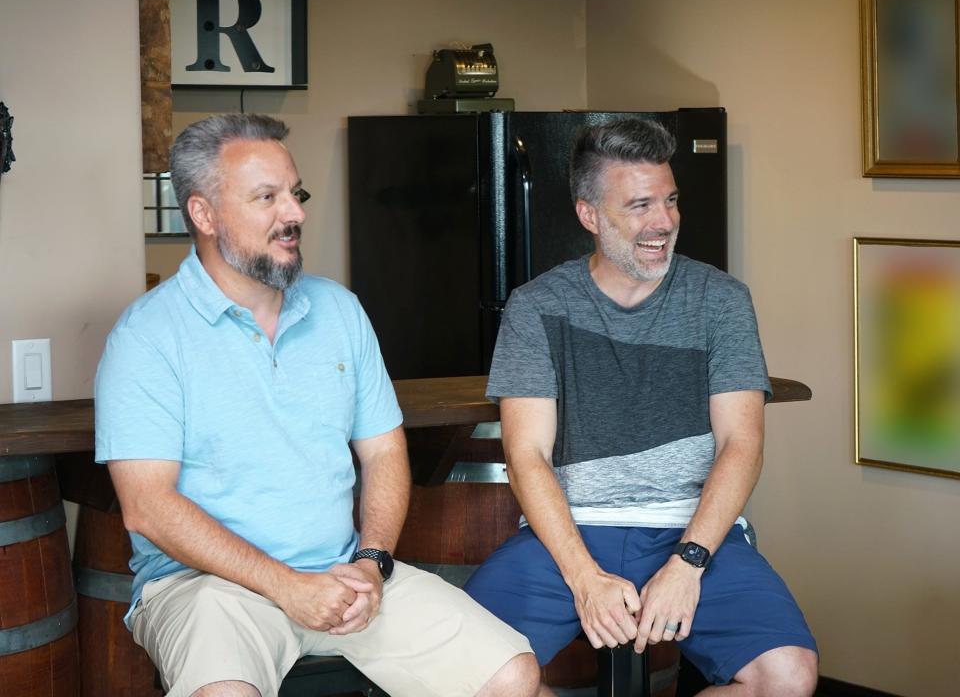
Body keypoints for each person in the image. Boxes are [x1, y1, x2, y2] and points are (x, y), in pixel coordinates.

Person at [94, 113, 540, 697]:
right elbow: (147, 507)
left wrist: (373, 562)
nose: (295, 213)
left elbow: (383, 452)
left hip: (344, 575)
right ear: (203, 214)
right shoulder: (147, 335)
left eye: (295, 193)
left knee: (513, 676)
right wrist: (285, 586)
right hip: (206, 588)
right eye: (267, 197)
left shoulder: (339, 310)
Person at [464, 119, 819, 696]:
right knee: (468, 674)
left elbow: (742, 444)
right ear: (590, 216)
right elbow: (526, 453)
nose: (664, 222)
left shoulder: (720, 301)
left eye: (671, 200)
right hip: (568, 538)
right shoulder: (535, 308)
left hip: (695, 531)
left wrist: (689, 562)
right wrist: (583, 577)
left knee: (788, 676)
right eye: (640, 205)